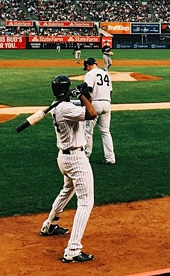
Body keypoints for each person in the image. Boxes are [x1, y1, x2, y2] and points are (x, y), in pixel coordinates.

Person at [40, 74, 97, 264]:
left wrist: (84, 94)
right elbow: (92, 113)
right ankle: (73, 249)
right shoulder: (65, 108)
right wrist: (82, 96)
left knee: (67, 190)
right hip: (75, 159)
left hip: (64, 158)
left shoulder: (58, 105)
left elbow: (82, 105)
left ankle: (50, 224)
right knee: (86, 201)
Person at [83, 57, 115, 165]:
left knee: (88, 130)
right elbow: (110, 92)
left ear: (89, 65)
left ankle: (86, 157)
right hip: (107, 103)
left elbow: (88, 91)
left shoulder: (90, 74)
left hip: (95, 104)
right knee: (105, 131)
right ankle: (110, 158)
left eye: (86, 67)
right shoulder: (106, 74)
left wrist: (87, 104)